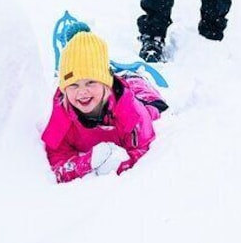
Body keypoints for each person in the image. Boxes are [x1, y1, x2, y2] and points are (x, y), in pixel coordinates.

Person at [41, 23, 168, 183]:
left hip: (137, 94)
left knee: (154, 107)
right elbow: (56, 159)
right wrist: (86, 163)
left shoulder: (130, 110)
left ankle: (132, 75)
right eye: (73, 85)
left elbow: (144, 148)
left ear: (105, 84)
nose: (82, 92)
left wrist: (121, 166)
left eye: (90, 82)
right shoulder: (61, 110)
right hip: (106, 87)